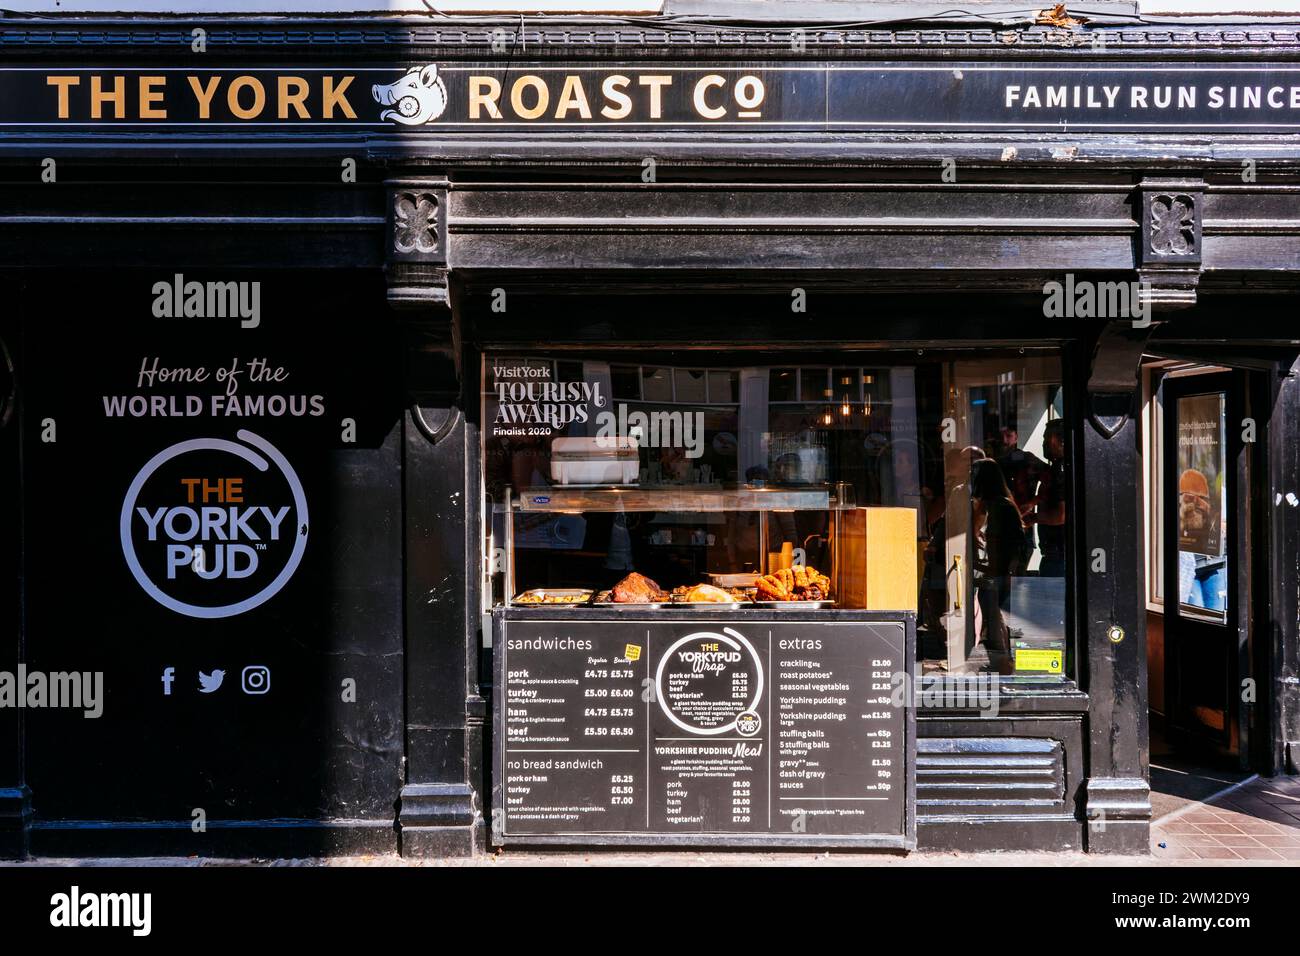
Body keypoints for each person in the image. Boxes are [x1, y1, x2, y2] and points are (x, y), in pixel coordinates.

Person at [970, 459, 1028, 675]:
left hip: (1003, 574)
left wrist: (1007, 571)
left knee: (1001, 620)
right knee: (994, 617)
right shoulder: (997, 505)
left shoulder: (1001, 507)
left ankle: (1006, 665)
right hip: (1000, 573)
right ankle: (1001, 663)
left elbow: (1011, 547)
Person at [1025, 420, 1067, 577]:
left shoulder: (1061, 471)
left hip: (1058, 555)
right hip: (1054, 554)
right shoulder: (1057, 468)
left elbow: (1061, 515)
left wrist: (1033, 518)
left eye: (1047, 438)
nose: (1044, 444)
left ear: (1061, 440)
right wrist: (1032, 502)